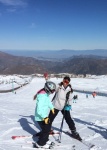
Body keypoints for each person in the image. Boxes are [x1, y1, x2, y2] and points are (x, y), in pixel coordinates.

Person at [49, 76, 82, 141]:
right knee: (50, 118)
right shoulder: (58, 86)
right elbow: (51, 87)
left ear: (69, 82)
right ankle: (47, 129)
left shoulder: (70, 90)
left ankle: (73, 131)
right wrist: (47, 79)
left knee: (68, 119)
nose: (65, 83)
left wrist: (69, 106)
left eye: (67, 82)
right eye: (64, 81)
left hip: (64, 106)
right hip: (55, 105)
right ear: (63, 80)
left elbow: (70, 99)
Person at [33, 81, 56, 148]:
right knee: (46, 130)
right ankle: (40, 144)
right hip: (40, 117)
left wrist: (52, 108)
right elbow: (39, 110)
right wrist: (44, 117)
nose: (52, 92)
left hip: (43, 116)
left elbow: (48, 102)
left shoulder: (45, 94)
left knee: (47, 129)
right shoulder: (42, 96)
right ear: (47, 89)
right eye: (52, 91)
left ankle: (45, 139)